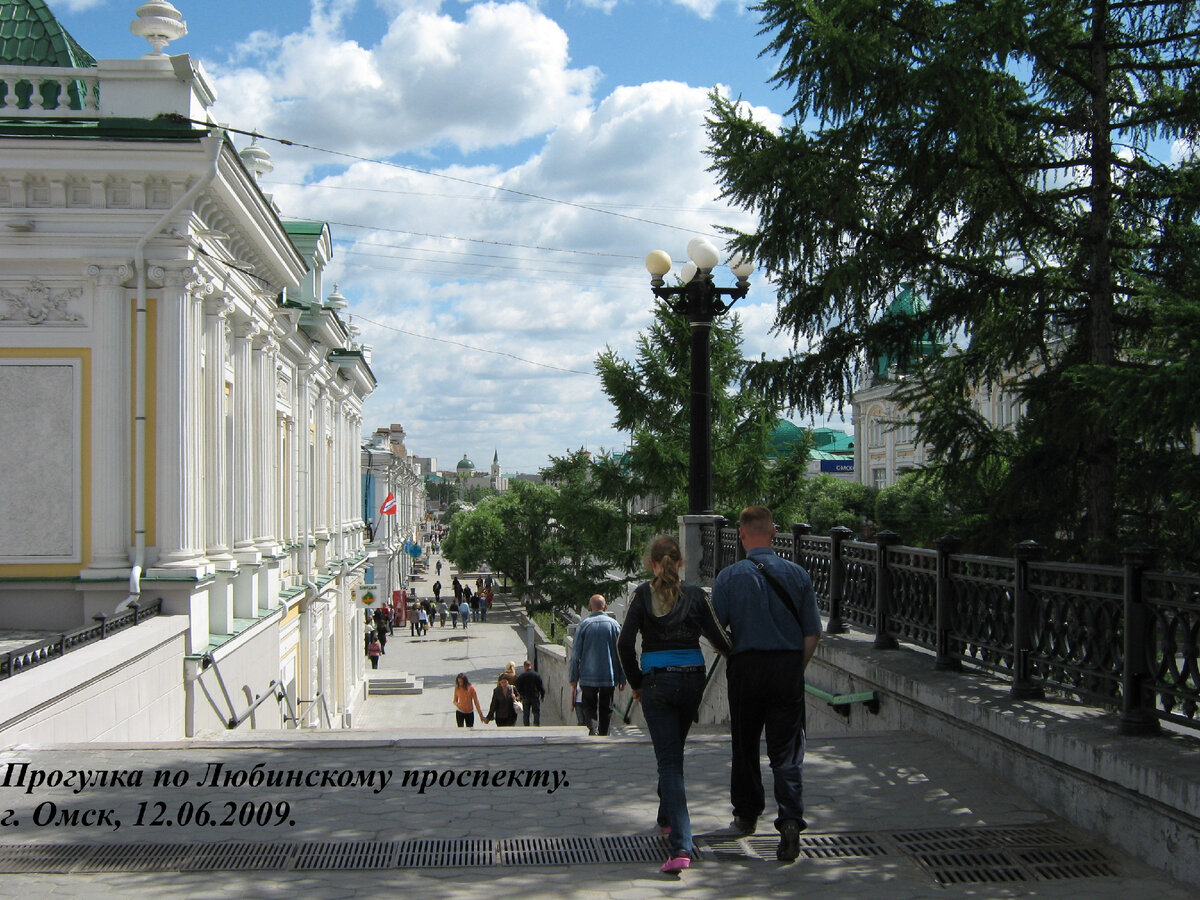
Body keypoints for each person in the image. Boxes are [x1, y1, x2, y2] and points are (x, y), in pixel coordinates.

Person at [711, 506, 822, 864]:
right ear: (774, 532)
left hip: (745, 667)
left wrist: (735, 655)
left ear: (742, 535)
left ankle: (746, 813)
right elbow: (812, 632)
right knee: (787, 750)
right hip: (786, 667)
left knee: (744, 743)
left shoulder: (729, 577)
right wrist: (795, 667)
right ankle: (790, 819)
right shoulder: (798, 574)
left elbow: (715, 632)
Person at [618, 535, 732, 873]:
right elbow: (721, 640)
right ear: (680, 562)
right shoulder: (696, 595)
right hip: (692, 681)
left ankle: (681, 846)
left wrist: (637, 683)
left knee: (670, 764)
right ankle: (667, 815)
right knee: (673, 753)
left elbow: (624, 644)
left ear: (651, 564)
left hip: (657, 681)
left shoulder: (641, 594)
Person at [568, 594, 626, 735]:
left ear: (590, 607)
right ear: (605, 607)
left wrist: (573, 677)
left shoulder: (584, 625)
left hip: (588, 676)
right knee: (607, 706)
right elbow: (621, 653)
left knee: (589, 706)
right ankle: (604, 734)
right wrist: (622, 677)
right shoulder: (614, 625)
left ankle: (592, 731)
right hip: (609, 675)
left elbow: (575, 654)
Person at [514, 660, 546, 727]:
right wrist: (542, 696)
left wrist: (521, 694)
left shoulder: (522, 676)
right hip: (535, 696)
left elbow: (517, 686)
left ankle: (526, 726)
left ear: (524, 667)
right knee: (536, 712)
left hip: (525, 697)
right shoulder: (536, 675)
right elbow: (541, 686)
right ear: (530, 666)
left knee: (526, 713)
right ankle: (536, 725)